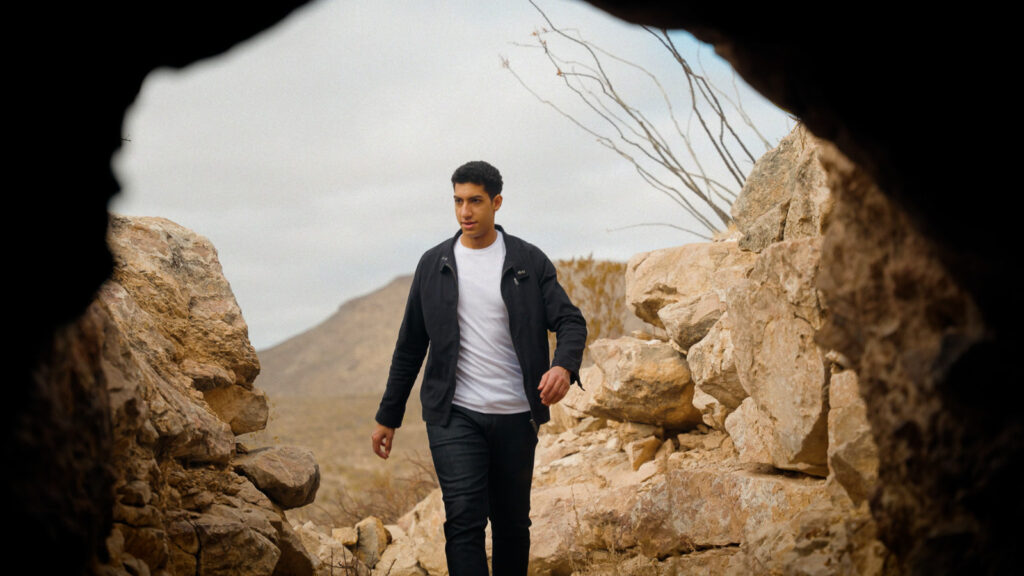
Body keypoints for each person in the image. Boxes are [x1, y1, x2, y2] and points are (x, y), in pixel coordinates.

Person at [371, 160, 587, 575]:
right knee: (464, 520)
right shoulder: (434, 264)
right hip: (455, 414)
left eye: (475, 201)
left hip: (517, 414)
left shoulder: (527, 261)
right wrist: (387, 417)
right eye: (457, 201)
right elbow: (410, 346)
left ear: (496, 202)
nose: (465, 212)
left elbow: (570, 321)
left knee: (512, 525)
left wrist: (563, 367)